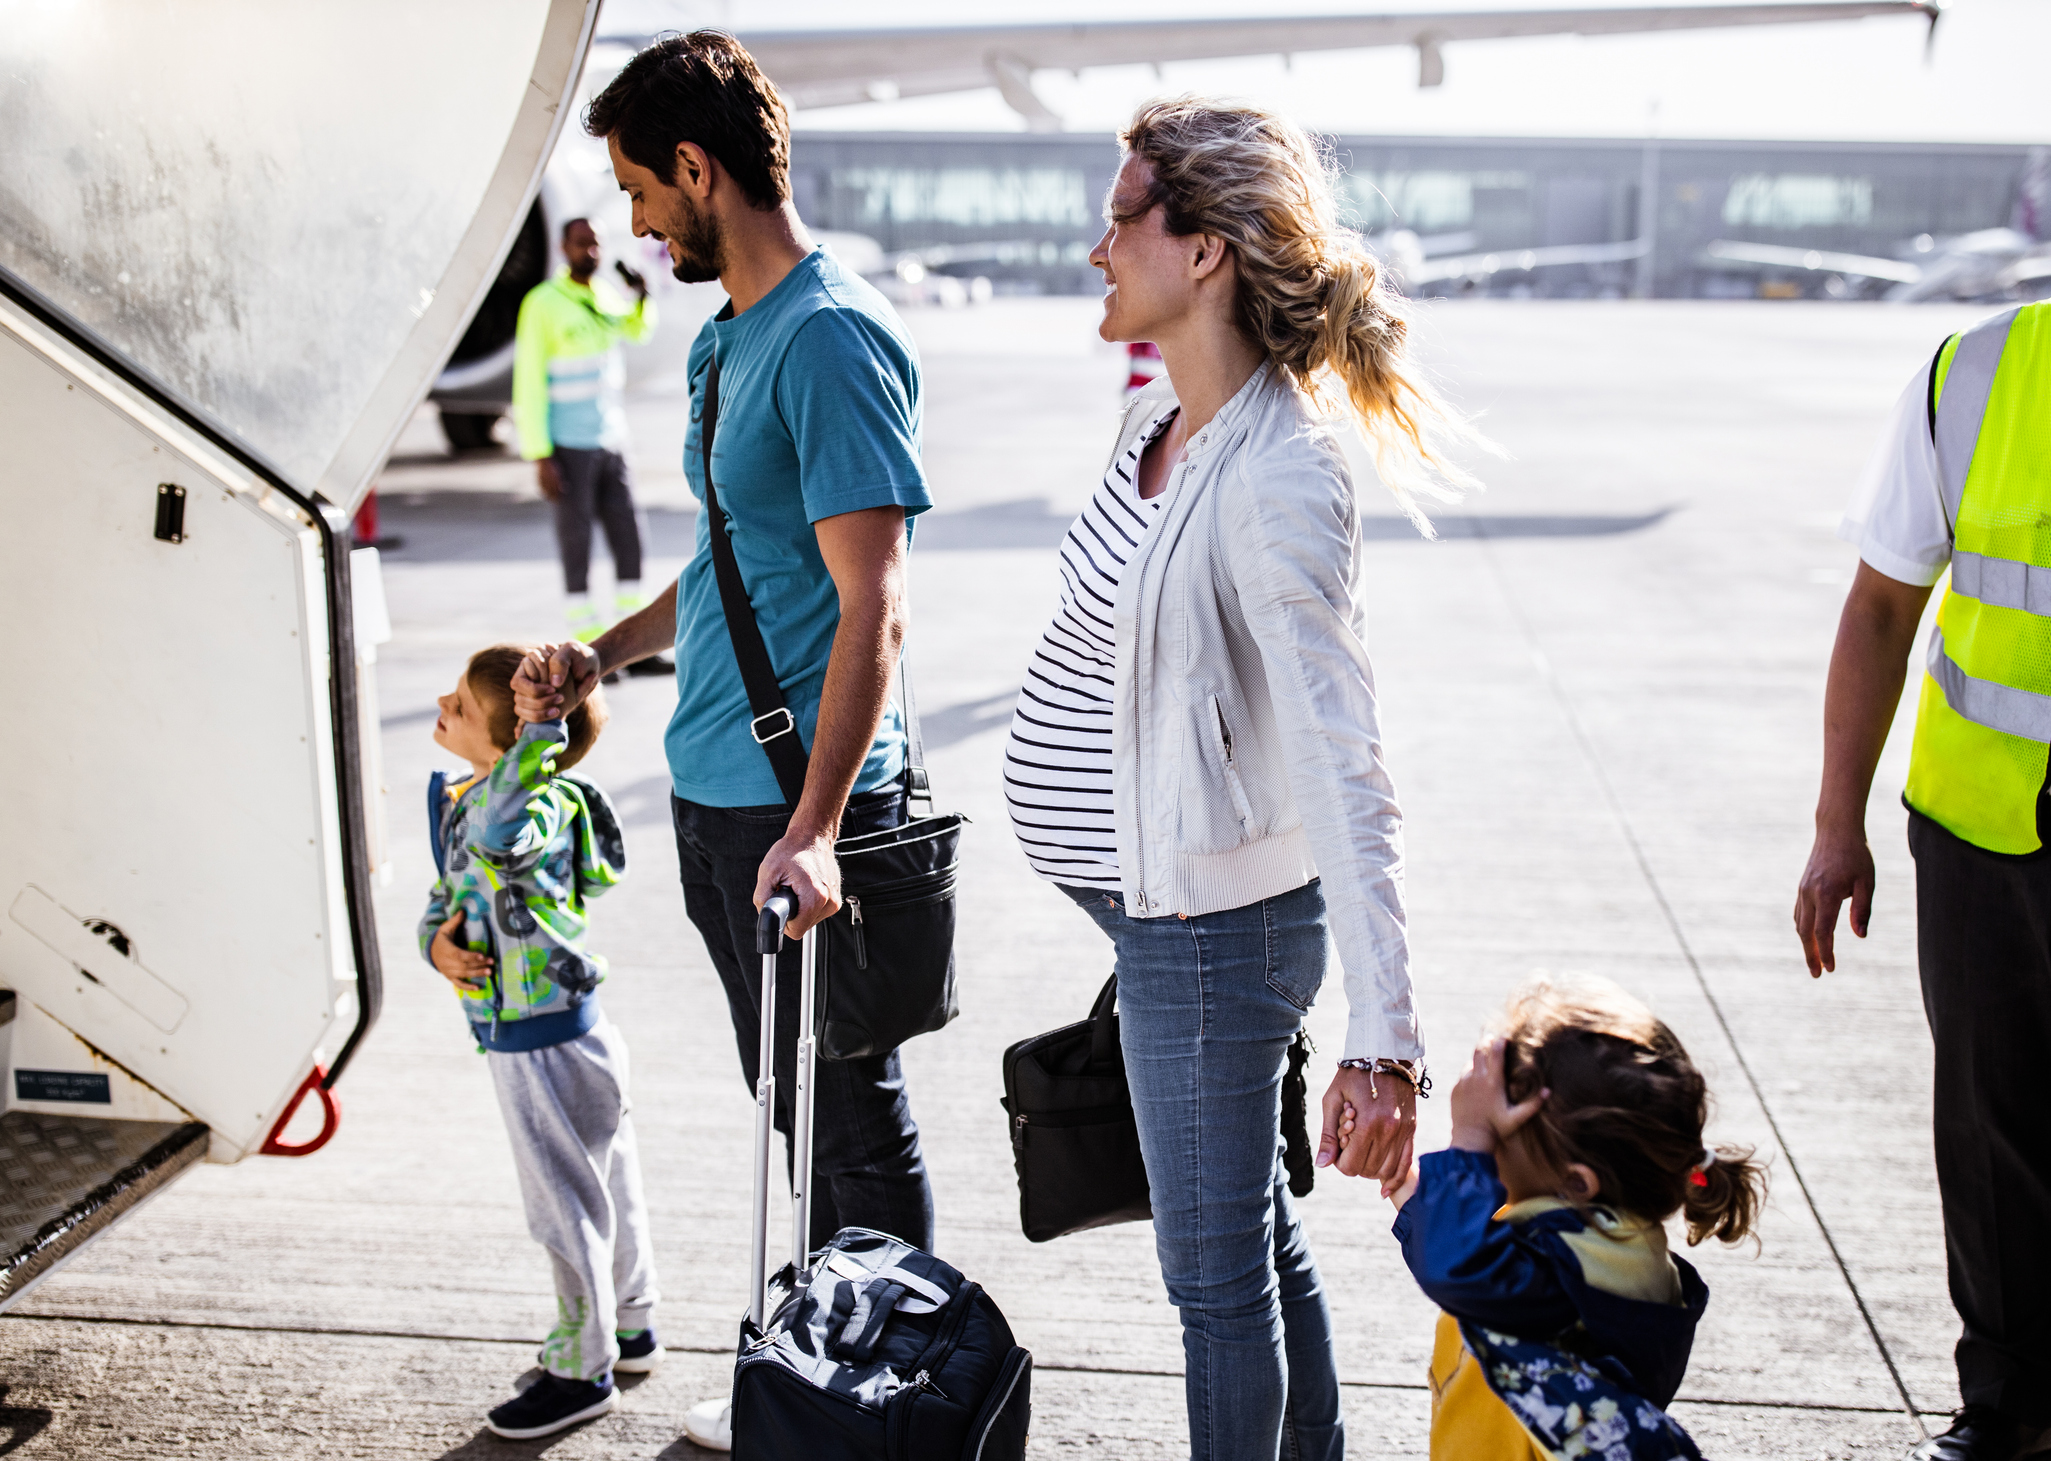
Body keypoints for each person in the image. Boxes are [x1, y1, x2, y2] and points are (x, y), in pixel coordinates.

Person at [1001, 96, 1477, 1460]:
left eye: (1118, 219)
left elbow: (1345, 765)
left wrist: (1382, 1038)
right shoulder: (1158, 429)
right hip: (1153, 914)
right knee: (1250, 1240)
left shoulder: (1277, 472)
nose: (1095, 249)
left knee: (1210, 1288)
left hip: (1209, 939)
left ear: (1202, 248)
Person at [511, 32, 935, 1453]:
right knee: (802, 1116)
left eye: (639, 189)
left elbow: (871, 604)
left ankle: (883, 1403)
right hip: (715, 799)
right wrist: (602, 653)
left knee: (850, 1123)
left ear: (698, 170)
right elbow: (730, 568)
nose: (631, 222)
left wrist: (812, 827)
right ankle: (826, 1375)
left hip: (794, 815)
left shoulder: (825, 337)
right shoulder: (726, 339)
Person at [1796, 300, 2051, 1461]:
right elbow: (1881, 606)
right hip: (1980, 828)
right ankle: (2005, 1404)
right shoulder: (1976, 372)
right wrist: (1832, 825)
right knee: (1992, 1129)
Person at [419, 644, 661, 1440]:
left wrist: (536, 731)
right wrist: (437, 947)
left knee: (565, 1208)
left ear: (515, 736)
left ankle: (579, 1369)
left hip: (543, 1042)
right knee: (603, 1186)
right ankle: (628, 1326)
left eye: (458, 700)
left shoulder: (527, 804)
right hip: (552, 1032)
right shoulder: (479, 796)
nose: (442, 705)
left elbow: (495, 835)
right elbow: (450, 895)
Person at [1382, 975, 1765, 1460]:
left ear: (1577, 1181)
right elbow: (1480, 1261)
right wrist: (1410, 1192)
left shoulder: (1581, 1267)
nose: (1489, 1143)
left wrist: (1470, 1138)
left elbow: (1465, 1269)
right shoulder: (1606, 1241)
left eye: (1503, 1130)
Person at [512, 215, 669, 668]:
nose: (592, 253)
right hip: (567, 445)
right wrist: (540, 453)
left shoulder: (603, 297)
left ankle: (631, 648)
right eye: (582, 244)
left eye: (596, 244)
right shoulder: (543, 303)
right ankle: (586, 649)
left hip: (610, 441)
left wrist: (642, 296)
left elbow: (637, 331)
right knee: (576, 544)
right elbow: (528, 384)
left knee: (630, 538)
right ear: (564, 249)